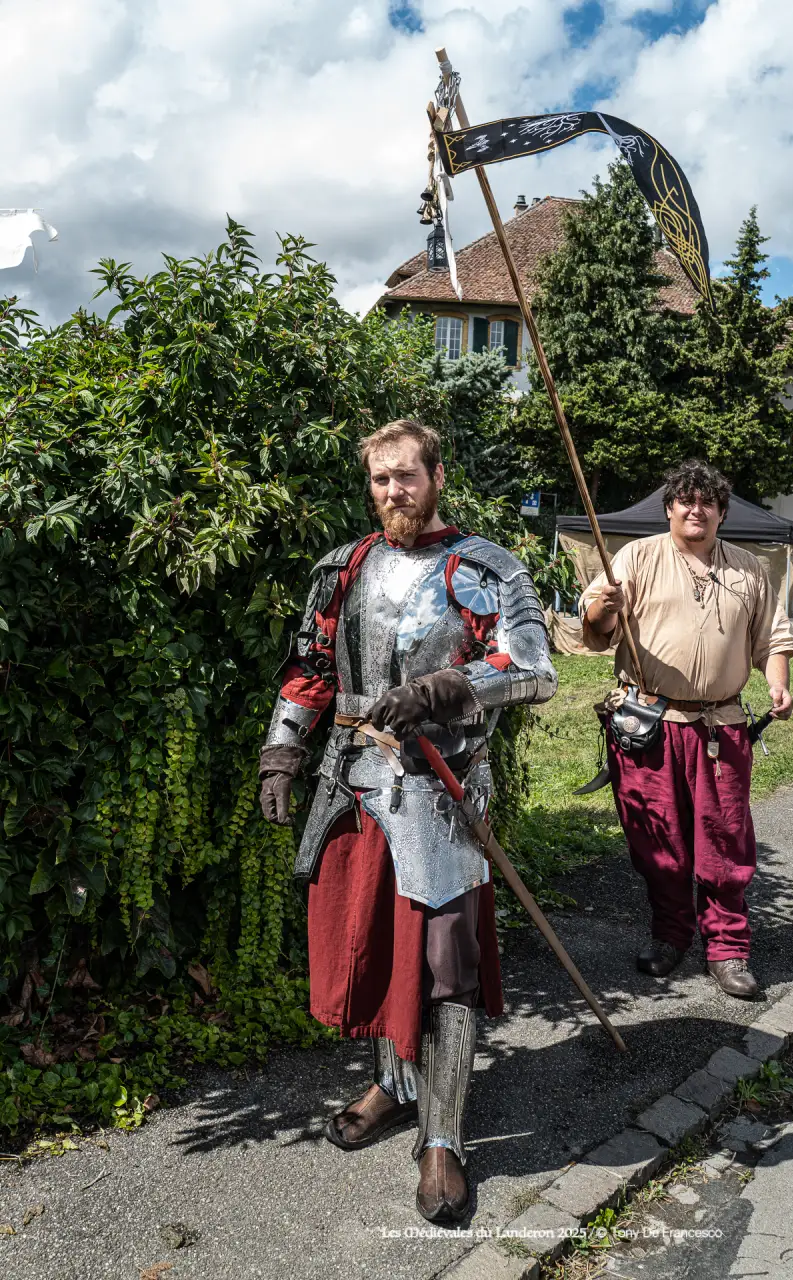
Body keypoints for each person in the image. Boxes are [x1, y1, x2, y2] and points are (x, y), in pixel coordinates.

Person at [258, 419, 557, 1223]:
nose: (395, 490)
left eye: (408, 476)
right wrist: (282, 749)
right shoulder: (344, 568)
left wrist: (442, 689)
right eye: (382, 478)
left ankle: (443, 1137)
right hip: (352, 785)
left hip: (439, 789)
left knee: (446, 970)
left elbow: (534, 668)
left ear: (437, 477)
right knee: (376, 952)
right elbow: (312, 668)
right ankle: (393, 1085)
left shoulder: (486, 568)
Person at [580, 460, 793, 999]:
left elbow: (773, 639)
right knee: (660, 840)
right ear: (671, 508)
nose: (695, 509)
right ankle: (671, 935)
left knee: (724, 839)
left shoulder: (750, 569)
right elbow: (596, 633)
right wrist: (603, 609)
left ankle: (727, 949)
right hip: (650, 723)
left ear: (722, 512)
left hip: (721, 726)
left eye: (707, 502)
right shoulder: (637, 557)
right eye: (686, 500)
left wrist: (779, 685)